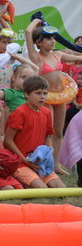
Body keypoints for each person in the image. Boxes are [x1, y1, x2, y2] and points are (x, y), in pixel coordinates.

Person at [26, 18, 82, 174]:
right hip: (45, 99)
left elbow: (78, 58)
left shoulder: (58, 54)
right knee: (48, 133)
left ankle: (56, 165)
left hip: (60, 96)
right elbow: (28, 32)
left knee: (58, 131)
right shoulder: (36, 57)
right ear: (39, 42)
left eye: (53, 38)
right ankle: (46, 164)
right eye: (48, 39)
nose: (52, 41)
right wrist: (37, 20)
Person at [4, 76, 67, 189]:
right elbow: (8, 140)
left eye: (45, 93)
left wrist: (49, 151)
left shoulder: (46, 113)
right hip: (20, 162)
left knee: (61, 189)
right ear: (27, 94)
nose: (42, 97)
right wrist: (24, 159)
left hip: (38, 161)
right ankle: (17, 179)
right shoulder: (19, 113)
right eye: (38, 93)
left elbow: (47, 137)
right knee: (42, 189)